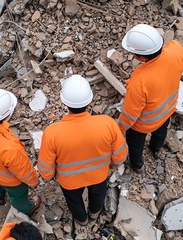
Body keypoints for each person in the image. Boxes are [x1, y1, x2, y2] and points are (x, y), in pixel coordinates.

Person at [37, 75, 128, 239]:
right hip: (98, 175)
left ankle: (82, 220)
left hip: (69, 181)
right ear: (89, 101)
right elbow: (121, 154)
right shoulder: (107, 123)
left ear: (64, 103)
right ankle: (94, 214)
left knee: (74, 202)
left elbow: (45, 168)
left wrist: (50, 176)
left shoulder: (53, 132)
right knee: (98, 195)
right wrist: (112, 165)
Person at [119, 24, 183, 174]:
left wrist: (119, 129)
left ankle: (138, 166)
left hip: (144, 123)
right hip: (167, 110)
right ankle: (156, 149)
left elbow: (130, 115)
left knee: (135, 143)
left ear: (142, 57)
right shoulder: (175, 48)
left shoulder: (140, 80)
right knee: (161, 131)